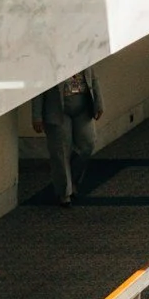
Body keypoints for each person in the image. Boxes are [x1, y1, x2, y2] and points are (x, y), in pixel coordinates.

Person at [34, 69, 101, 205]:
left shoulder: (82, 51)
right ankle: (64, 193)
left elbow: (93, 77)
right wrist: (37, 116)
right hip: (57, 108)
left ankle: (72, 180)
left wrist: (99, 102)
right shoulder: (48, 56)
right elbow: (39, 87)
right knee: (61, 151)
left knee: (87, 144)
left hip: (83, 106)